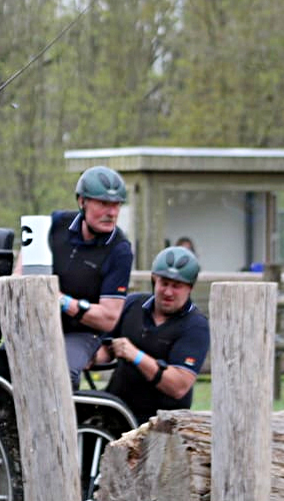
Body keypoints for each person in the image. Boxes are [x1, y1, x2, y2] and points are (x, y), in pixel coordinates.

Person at [16, 165, 134, 389]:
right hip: (38, 323)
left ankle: (64, 423)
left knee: (59, 371)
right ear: (82, 202)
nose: (111, 212)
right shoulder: (55, 223)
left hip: (82, 333)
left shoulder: (120, 250)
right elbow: (21, 271)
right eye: (103, 204)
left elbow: (108, 317)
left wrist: (62, 301)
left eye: (116, 204)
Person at [98, 246, 210, 425]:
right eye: (164, 283)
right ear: (154, 280)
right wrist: (86, 357)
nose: (168, 292)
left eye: (176, 286)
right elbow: (104, 350)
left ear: (190, 288)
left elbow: (179, 386)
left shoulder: (196, 326)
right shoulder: (132, 304)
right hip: (116, 409)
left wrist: (136, 356)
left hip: (160, 424)